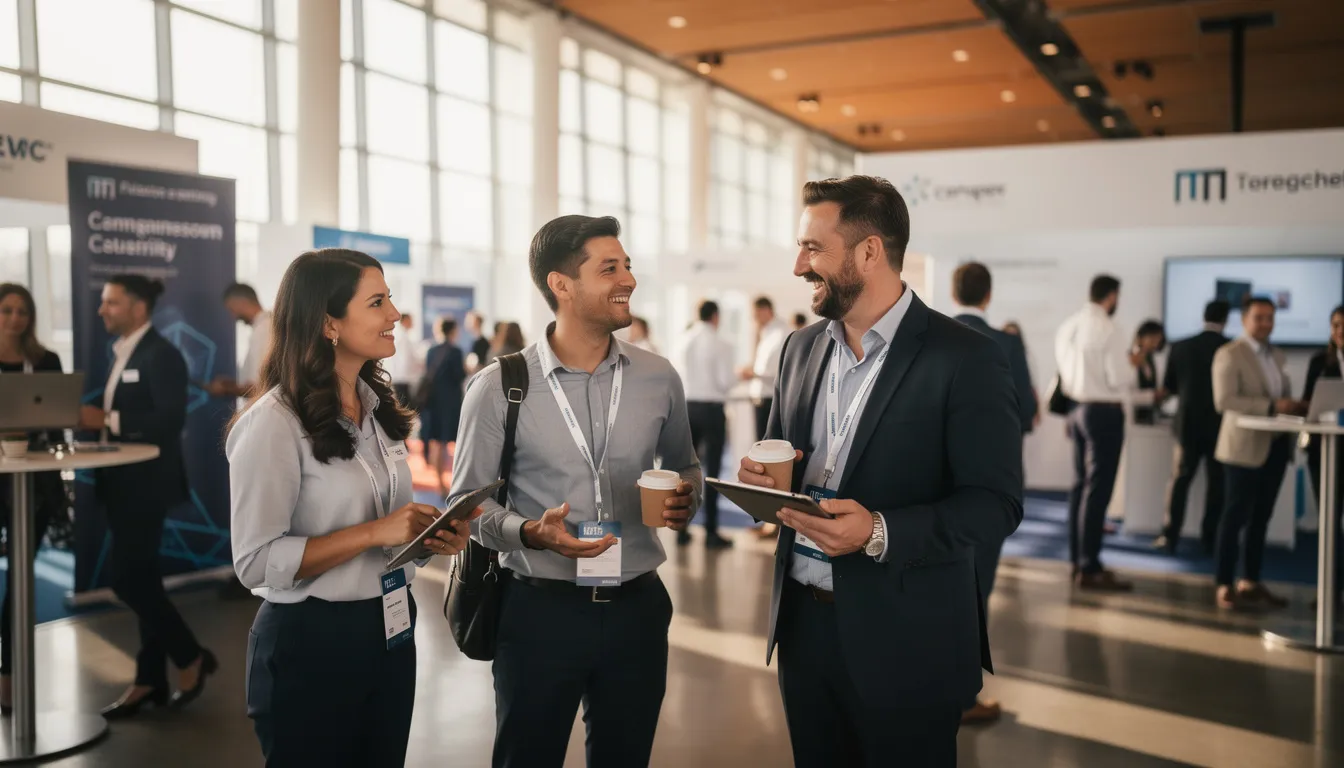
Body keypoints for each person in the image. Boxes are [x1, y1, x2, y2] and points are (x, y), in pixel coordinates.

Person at [736, 176, 1023, 766]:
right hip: (803, 632)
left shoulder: (965, 358)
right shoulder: (799, 349)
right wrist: (766, 486)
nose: (797, 266)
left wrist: (877, 531)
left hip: (909, 641)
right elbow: (783, 456)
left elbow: (995, 503)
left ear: (869, 252)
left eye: (813, 248)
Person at [451, 214, 701, 768]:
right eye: (609, 268)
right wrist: (528, 533)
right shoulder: (500, 387)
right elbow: (465, 505)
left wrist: (688, 495)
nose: (628, 279)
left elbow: (685, 464)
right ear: (560, 285)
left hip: (638, 607)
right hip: (540, 611)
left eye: (628, 266)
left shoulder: (659, 377)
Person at [228, 249, 473, 765]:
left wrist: (426, 541)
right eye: (378, 302)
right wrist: (373, 533)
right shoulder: (273, 422)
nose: (394, 316)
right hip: (311, 644)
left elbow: (390, 531)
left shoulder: (377, 408)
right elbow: (254, 562)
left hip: (390, 629)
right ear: (329, 324)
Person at [75, 274, 216, 718]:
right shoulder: (125, 352)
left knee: (127, 580)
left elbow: (169, 419)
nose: (103, 311)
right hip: (123, 482)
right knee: (144, 580)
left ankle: (190, 654)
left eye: (112, 303)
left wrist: (107, 420)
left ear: (137, 308)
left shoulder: (162, 354)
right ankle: (148, 680)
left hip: (146, 485)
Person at [949, 262, 1036, 725]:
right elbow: (1025, 410)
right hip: (988, 488)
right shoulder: (1005, 342)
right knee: (976, 588)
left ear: (952, 291)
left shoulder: (925, 335)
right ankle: (963, 696)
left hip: (934, 490)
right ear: (987, 295)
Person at [1211, 296, 1305, 611]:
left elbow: (1281, 394)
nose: (1265, 323)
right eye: (1259, 318)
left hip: (1276, 445)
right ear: (1244, 320)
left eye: (1270, 318)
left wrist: (1293, 406)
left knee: (1261, 518)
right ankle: (1223, 584)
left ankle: (1250, 581)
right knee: (1233, 518)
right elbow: (1224, 400)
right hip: (1243, 448)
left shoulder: (1277, 355)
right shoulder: (1229, 354)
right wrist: (1272, 406)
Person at [0, 283, 65, 715]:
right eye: (6, 310)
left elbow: (59, 418)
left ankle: (9, 680)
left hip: (34, 482)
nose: (14, 319)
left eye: (22, 311)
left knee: (20, 581)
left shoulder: (46, 361)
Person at [1054, 275, 1134, 591]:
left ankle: (1078, 561)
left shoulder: (1068, 326)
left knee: (1080, 486)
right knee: (1098, 490)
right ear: (1112, 297)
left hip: (1076, 410)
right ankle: (1090, 567)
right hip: (1103, 412)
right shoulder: (1109, 329)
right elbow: (1118, 378)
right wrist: (1133, 363)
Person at [1155, 300, 1230, 555]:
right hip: (1221, 426)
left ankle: (1170, 536)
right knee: (1217, 484)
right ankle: (1210, 540)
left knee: (1180, 481)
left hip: (1187, 425)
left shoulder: (1181, 346)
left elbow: (1170, 387)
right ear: (1225, 319)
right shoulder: (1231, 348)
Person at [675, 300, 737, 550]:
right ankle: (711, 532)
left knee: (686, 470)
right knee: (712, 472)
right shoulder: (719, 343)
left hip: (687, 409)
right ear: (715, 316)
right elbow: (725, 381)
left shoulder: (683, 340)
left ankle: (682, 530)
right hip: (712, 410)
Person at [1303, 304, 1344, 607]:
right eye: (1335, 325)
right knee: (1328, 523)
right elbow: (1310, 404)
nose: (1340, 331)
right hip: (1326, 452)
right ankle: (1329, 590)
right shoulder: (1320, 361)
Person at [421, 318, 466, 498]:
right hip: (450, 402)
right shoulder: (455, 351)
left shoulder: (431, 350)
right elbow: (459, 375)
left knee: (437, 443)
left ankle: (440, 485)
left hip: (433, 402)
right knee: (453, 443)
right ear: (453, 330)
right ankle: (455, 485)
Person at [206, 283, 271, 400]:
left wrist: (225, 389)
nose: (233, 316)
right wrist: (231, 384)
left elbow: (258, 389)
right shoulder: (265, 327)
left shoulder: (263, 331)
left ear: (241, 302)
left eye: (232, 309)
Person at [741, 296, 789, 440]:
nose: (754, 318)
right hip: (761, 399)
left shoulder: (782, 333)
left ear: (765, 310)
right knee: (760, 445)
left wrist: (754, 374)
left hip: (771, 400)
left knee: (768, 447)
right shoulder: (767, 333)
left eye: (755, 314)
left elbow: (781, 372)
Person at [1131, 320, 1167, 424]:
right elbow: (1127, 395)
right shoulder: (1131, 359)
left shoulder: (1151, 360)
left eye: (1158, 340)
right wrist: (1152, 396)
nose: (1155, 345)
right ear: (1140, 338)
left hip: (1150, 418)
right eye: (1152, 339)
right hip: (1134, 419)